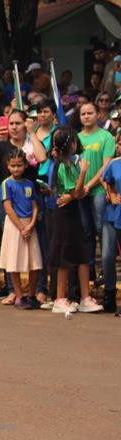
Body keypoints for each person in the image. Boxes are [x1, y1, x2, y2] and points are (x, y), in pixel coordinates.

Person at [46, 128, 102, 313]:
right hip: (64, 215)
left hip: (73, 212)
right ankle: (60, 298)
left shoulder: (70, 162)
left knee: (82, 254)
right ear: (70, 144)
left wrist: (75, 194)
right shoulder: (64, 165)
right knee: (64, 257)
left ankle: (85, 297)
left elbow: (75, 194)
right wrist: (84, 173)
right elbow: (76, 192)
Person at [76, 102, 115, 288]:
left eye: (90, 113)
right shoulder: (76, 138)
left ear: (97, 114)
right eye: (83, 113)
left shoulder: (106, 136)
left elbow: (107, 166)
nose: (86, 116)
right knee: (86, 231)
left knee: (101, 230)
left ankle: (104, 270)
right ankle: (89, 269)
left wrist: (88, 185)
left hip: (99, 191)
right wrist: (80, 188)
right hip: (80, 192)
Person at [0, 149, 43, 309]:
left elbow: (35, 206)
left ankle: (31, 295)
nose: (16, 169)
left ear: (25, 165)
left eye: (19, 165)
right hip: (14, 225)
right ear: (8, 166)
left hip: (29, 224)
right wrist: (21, 227)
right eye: (13, 166)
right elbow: (8, 207)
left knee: (35, 261)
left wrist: (30, 226)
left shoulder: (29, 184)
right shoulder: (6, 184)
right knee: (14, 261)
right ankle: (18, 295)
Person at [98, 134, 121, 313]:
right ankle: (109, 294)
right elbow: (105, 180)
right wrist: (111, 194)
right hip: (113, 216)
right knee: (107, 256)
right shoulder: (114, 163)